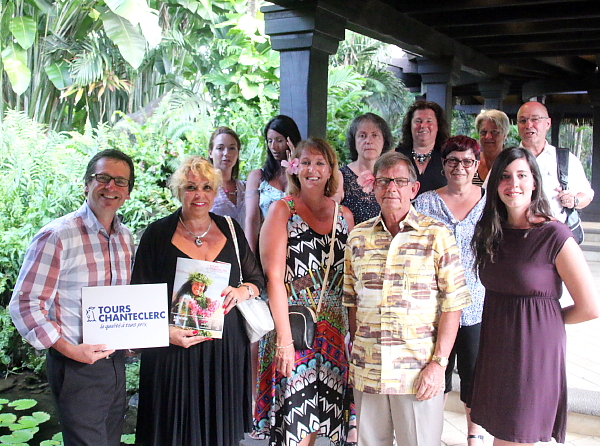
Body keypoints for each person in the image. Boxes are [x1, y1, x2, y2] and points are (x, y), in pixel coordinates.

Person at [469, 147, 599, 445]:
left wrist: (544, 321)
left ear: (535, 182)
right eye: (504, 176)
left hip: (534, 346)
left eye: (521, 175)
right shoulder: (491, 232)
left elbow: (590, 307)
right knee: (502, 430)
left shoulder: (555, 235)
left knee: (518, 431)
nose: (513, 184)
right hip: (497, 343)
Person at [131, 156, 264, 446]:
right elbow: (138, 296)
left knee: (218, 434)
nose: (199, 194)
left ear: (215, 191)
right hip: (172, 352)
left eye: (206, 187)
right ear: (179, 191)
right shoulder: (156, 234)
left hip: (223, 352)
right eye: (191, 187)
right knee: (171, 433)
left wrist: (242, 292)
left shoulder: (230, 229)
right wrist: (164, 332)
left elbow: (257, 280)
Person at [343, 151, 472, 446]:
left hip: (417, 372)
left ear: (414, 189)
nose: (392, 188)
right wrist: (359, 354)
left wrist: (438, 365)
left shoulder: (436, 235)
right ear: (373, 186)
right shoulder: (358, 237)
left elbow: (454, 305)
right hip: (369, 370)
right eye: (384, 181)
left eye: (400, 181)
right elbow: (352, 301)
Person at [9, 149, 136, 446]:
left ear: (129, 192)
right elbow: (25, 303)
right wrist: (69, 349)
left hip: (115, 362)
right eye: (102, 178)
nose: (111, 187)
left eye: (120, 181)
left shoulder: (125, 238)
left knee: (110, 441)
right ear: (86, 183)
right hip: (76, 364)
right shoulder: (57, 236)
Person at [254, 138, 355, 446]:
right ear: (294, 167)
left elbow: (349, 277)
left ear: (331, 169)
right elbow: (274, 278)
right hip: (293, 325)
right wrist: (283, 341)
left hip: (332, 328)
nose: (313, 169)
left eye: (320, 163)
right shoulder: (282, 210)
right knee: (292, 421)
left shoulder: (345, 216)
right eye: (306, 162)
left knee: (317, 417)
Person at [413, 136, 486, 445]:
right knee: (435, 375)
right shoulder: (425, 202)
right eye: (453, 161)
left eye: (467, 161)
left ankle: (474, 435)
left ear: (477, 165)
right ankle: (429, 435)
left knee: (474, 377)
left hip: (476, 304)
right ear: (443, 165)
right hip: (433, 307)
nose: (460, 167)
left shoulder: (490, 201)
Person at [517, 101, 594, 220]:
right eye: (523, 121)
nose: (528, 125)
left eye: (535, 119)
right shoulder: (507, 160)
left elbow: (587, 194)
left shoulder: (564, 159)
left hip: (555, 234)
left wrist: (573, 200)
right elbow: (487, 195)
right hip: (515, 234)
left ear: (548, 123)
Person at [246, 115, 302, 252]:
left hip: (299, 245)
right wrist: (250, 257)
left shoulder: (302, 176)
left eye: (279, 140)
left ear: (291, 141)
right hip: (266, 246)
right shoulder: (258, 177)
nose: (274, 146)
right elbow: (252, 220)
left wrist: (294, 167)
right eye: (270, 141)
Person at [335, 112, 394, 224]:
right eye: (362, 136)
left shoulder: (392, 176)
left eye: (375, 135)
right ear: (354, 141)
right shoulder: (340, 176)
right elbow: (331, 217)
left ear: (384, 140)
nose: (368, 141)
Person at [396, 100, 450, 195]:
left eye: (429, 121)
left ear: (438, 126)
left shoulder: (449, 157)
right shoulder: (396, 156)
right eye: (418, 121)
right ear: (410, 126)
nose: (423, 125)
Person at [209, 126, 246, 230]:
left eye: (232, 148)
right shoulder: (204, 189)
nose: (226, 153)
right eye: (220, 148)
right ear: (210, 152)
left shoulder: (246, 187)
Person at [474, 109, 510, 184]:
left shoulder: (511, 163)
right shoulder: (471, 163)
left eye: (494, 132)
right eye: (483, 132)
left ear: (505, 135)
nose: (488, 136)